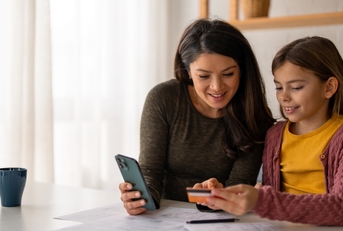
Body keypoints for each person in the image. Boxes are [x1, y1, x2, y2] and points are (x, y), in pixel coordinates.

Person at [119, 18, 275, 215]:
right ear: (188, 71)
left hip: (221, 219)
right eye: (204, 76)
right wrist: (139, 199)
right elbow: (151, 171)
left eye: (228, 74)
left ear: (242, 71)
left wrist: (221, 194)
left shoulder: (254, 115)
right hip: (164, 215)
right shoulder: (164, 99)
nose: (217, 87)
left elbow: (239, 186)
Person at [203, 36, 343, 226]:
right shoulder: (275, 135)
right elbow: (272, 202)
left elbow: (339, 207)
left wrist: (260, 200)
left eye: (296, 87)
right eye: (278, 87)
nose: (283, 97)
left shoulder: (339, 137)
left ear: (329, 87)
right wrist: (227, 197)